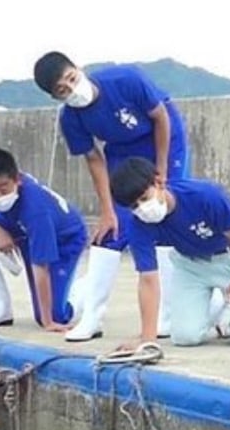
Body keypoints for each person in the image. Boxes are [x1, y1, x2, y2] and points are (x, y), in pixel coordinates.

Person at [33, 51, 190, 342]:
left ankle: (167, 315)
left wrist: (162, 171)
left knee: (162, 216)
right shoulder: (70, 119)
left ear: (79, 68)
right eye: (62, 90)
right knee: (110, 232)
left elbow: (160, 117)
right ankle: (92, 317)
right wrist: (107, 210)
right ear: (56, 97)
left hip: (163, 138)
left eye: (72, 79)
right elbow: (94, 160)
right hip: (121, 151)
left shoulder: (126, 79)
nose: (72, 90)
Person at [109, 157, 230, 349]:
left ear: (159, 183)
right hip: (189, 265)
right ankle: (217, 308)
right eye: (134, 207)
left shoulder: (205, 196)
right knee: (185, 337)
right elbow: (147, 279)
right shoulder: (138, 226)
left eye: (144, 198)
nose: (142, 209)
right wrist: (148, 340)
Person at [0, 148, 87, 330]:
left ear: (18, 180)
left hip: (62, 239)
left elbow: (41, 266)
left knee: (55, 315)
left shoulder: (36, 210)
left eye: (3, 188)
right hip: (19, 226)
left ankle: (87, 289)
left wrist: (48, 322)